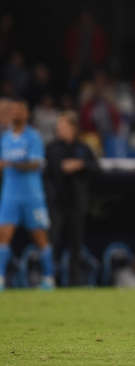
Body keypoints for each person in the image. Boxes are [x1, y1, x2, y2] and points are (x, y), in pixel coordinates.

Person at [0, 98, 54, 290]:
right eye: (13, 110)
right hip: (10, 195)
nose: (16, 113)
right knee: (3, 235)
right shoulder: (5, 138)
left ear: (27, 114)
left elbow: (35, 163)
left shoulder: (33, 137)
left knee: (40, 237)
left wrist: (11, 164)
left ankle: (49, 279)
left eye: (20, 110)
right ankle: (0, 279)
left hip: (31, 195)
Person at [45, 111, 100, 286]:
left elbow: (97, 169)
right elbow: (44, 173)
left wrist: (80, 164)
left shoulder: (82, 148)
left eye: (63, 125)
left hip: (76, 203)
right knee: (51, 241)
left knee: (75, 244)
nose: (59, 129)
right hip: (56, 203)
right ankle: (49, 279)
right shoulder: (51, 148)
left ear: (73, 128)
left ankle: (74, 282)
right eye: (58, 126)